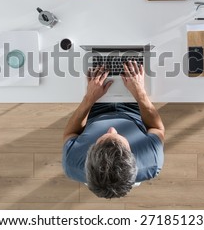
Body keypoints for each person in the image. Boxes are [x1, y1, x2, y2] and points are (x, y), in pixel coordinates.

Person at [62, 61, 165, 199]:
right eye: (118, 135)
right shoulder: (151, 161)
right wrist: (139, 93)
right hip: (135, 106)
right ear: (132, 154)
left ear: (89, 154)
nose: (111, 129)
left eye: (102, 138)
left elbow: (70, 133)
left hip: (94, 108)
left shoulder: (72, 163)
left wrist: (89, 98)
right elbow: (156, 127)